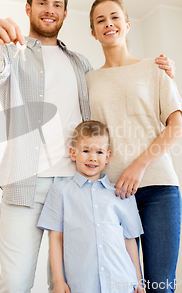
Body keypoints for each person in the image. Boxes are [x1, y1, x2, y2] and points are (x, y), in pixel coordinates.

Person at [0, 0, 176, 293]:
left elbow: (114, 89)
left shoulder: (80, 64)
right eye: (42, 3)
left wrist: (161, 70)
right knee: (15, 283)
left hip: (75, 187)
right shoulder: (11, 53)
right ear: (28, 9)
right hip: (25, 185)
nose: (49, 10)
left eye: (57, 5)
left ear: (65, 14)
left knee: (67, 282)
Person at [86, 0, 182, 293]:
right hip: (112, 194)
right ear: (93, 32)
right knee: (125, 287)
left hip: (159, 189)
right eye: (100, 20)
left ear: (127, 24)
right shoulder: (89, 81)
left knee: (160, 287)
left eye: (115, 17)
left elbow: (176, 127)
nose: (109, 24)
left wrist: (139, 166)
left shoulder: (155, 68)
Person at [38, 120, 145, 293]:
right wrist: (58, 281)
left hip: (121, 283)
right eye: (86, 150)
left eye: (99, 152)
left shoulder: (121, 194)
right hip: (81, 285)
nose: (92, 157)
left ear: (108, 156)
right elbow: (56, 238)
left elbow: (130, 241)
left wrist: (139, 282)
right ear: (73, 153)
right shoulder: (61, 191)